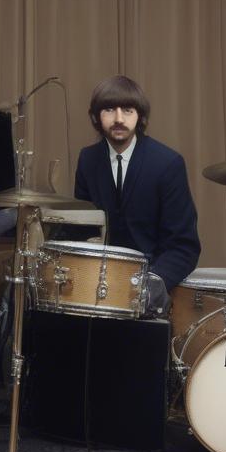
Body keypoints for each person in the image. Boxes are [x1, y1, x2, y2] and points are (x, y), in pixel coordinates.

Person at [73, 75, 200, 313]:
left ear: (140, 116)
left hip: (151, 287)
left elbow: (184, 245)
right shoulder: (88, 159)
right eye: (109, 109)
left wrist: (152, 283)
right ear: (95, 117)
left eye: (128, 110)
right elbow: (82, 230)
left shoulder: (167, 163)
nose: (119, 118)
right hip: (97, 287)